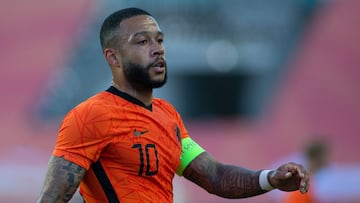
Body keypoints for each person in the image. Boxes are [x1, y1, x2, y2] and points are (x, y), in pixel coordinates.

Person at [37, 7, 309, 203]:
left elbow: (215, 176)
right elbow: (52, 198)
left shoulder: (168, 116)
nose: (157, 49)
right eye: (143, 42)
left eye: (160, 40)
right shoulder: (90, 115)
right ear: (114, 57)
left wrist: (271, 178)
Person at [281, 138, 329, 203]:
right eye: (325, 156)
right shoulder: (301, 185)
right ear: (317, 158)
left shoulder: (307, 181)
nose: (327, 160)